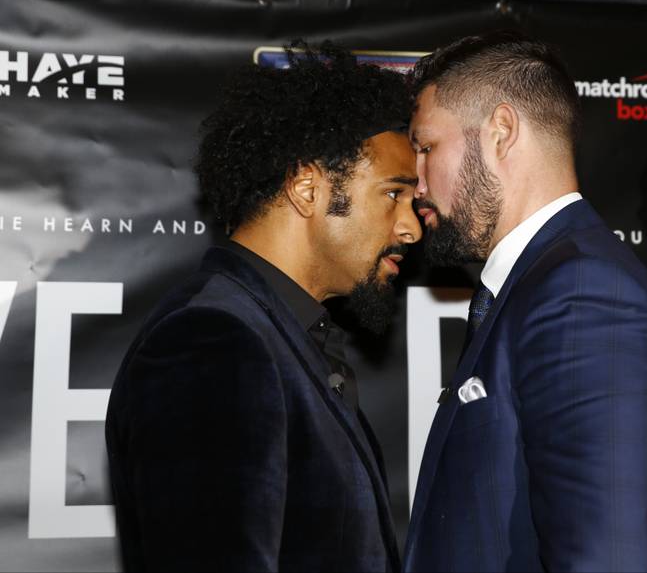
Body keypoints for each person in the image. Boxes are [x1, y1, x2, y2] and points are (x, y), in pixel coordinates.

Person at [105, 42, 420, 572]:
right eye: (393, 194)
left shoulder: (277, 333)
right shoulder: (211, 341)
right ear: (306, 188)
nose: (412, 227)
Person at [404, 30, 647, 572]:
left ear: (501, 131)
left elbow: (608, 559)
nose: (417, 182)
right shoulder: (542, 285)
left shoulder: (584, 297)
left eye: (427, 147)